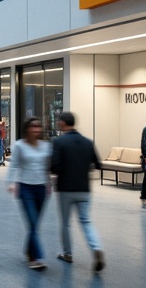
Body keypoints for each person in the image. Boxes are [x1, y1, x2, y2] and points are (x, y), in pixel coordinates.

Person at [51, 111, 105, 272]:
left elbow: (54, 166)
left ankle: (67, 254)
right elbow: (98, 164)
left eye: (58, 121)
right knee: (86, 221)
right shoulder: (87, 142)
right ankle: (96, 248)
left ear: (62, 123)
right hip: (84, 189)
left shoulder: (59, 142)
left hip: (65, 189)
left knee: (66, 223)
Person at [7, 117, 52, 270]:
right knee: (32, 222)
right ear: (27, 129)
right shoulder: (20, 145)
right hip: (25, 187)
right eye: (33, 127)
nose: (36, 130)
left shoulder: (46, 146)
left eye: (39, 127)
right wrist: (11, 182)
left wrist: (49, 182)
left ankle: (28, 250)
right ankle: (37, 257)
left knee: (35, 224)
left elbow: (47, 167)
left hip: (41, 188)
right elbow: (13, 166)